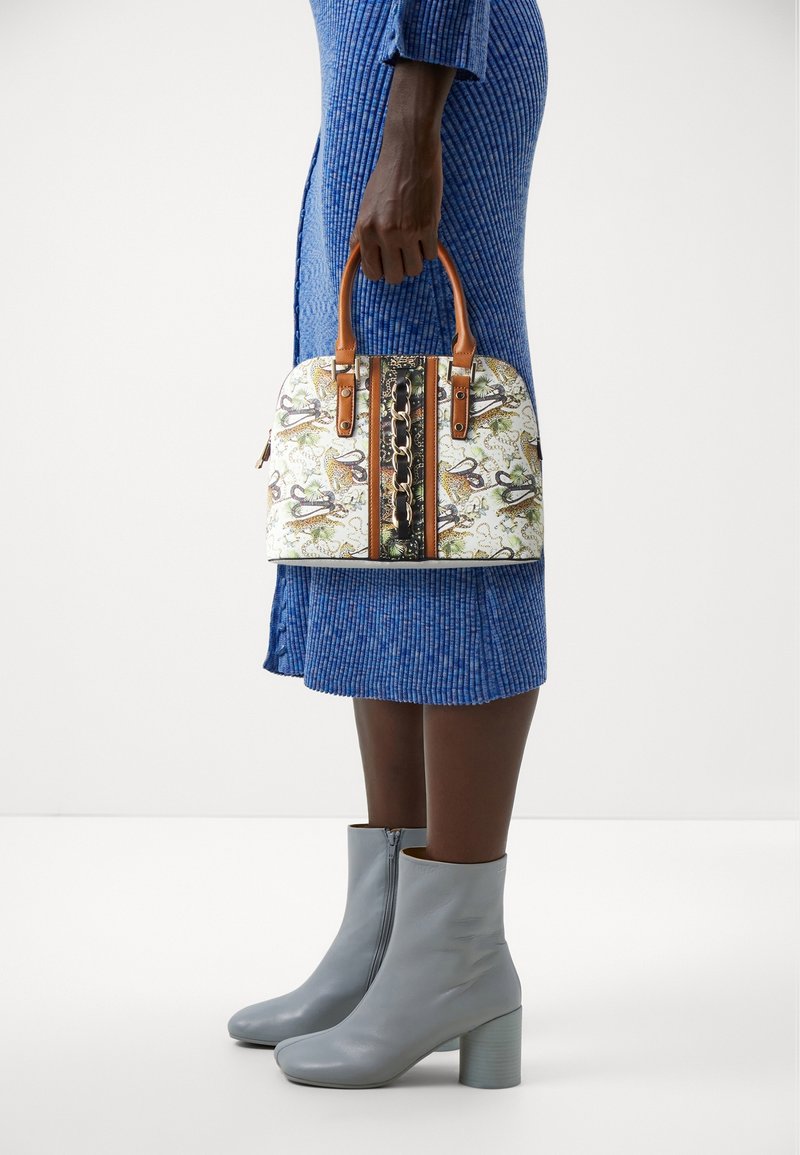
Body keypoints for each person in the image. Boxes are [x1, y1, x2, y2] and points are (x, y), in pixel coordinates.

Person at [229, 0, 549, 1088]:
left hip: (426, 58)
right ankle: (388, 940)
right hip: (377, 73)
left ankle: (457, 947)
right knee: (377, 492)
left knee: (455, 491)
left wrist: (411, 122)